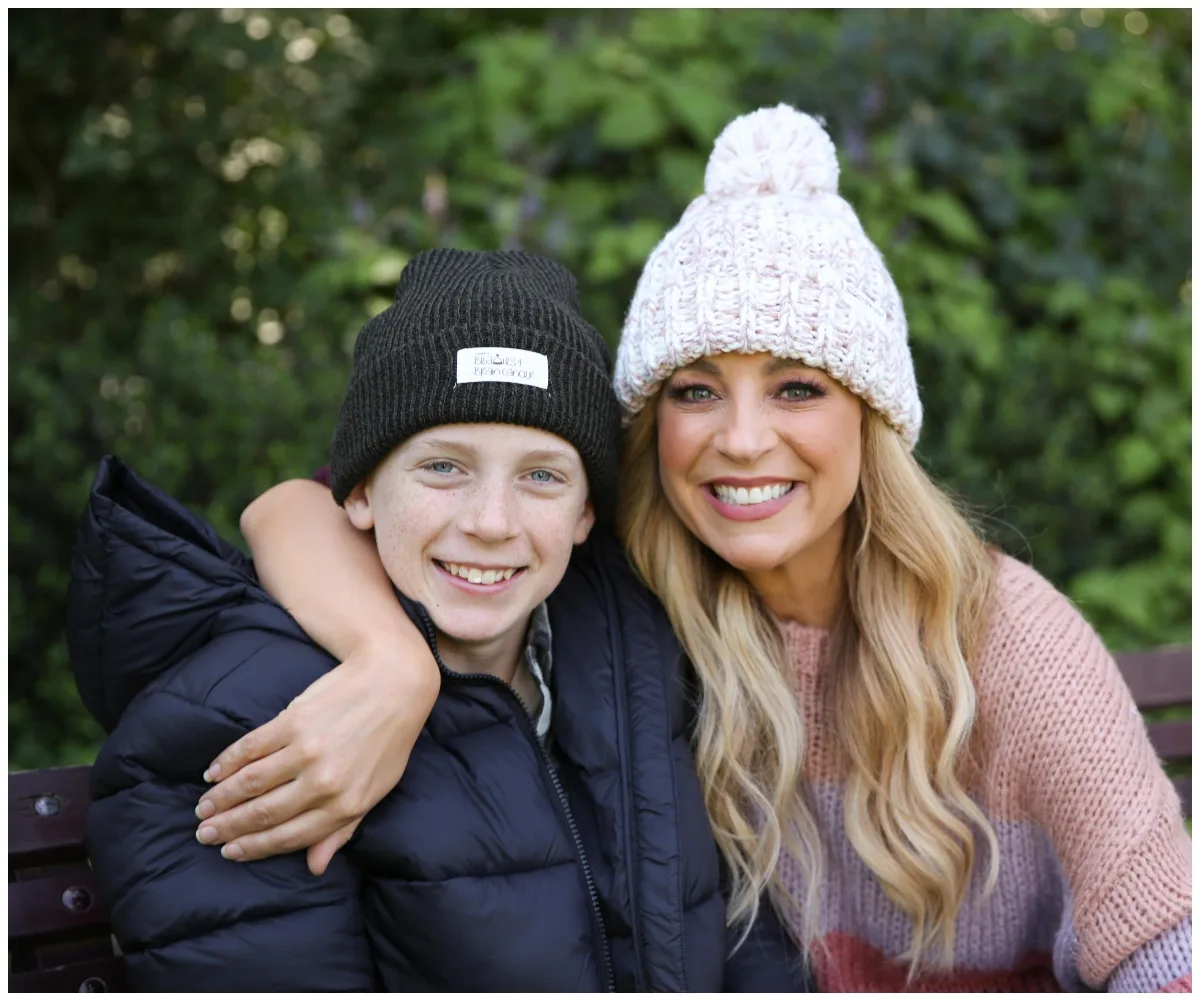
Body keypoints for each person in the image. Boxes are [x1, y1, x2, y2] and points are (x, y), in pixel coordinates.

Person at [192, 107, 1192, 991]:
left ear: (871, 420)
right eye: (696, 389)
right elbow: (305, 504)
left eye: (797, 387)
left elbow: (1167, 948)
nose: (742, 438)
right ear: (648, 425)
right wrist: (391, 663)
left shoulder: (1004, 637)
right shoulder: (628, 593)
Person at [68, 249, 806, 991]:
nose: (490, 522)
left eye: (541, 476)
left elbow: (746, 939)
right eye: (443, 467)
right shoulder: (262, 720)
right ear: (358, 492)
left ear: (587, 512)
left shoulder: (639, 659)